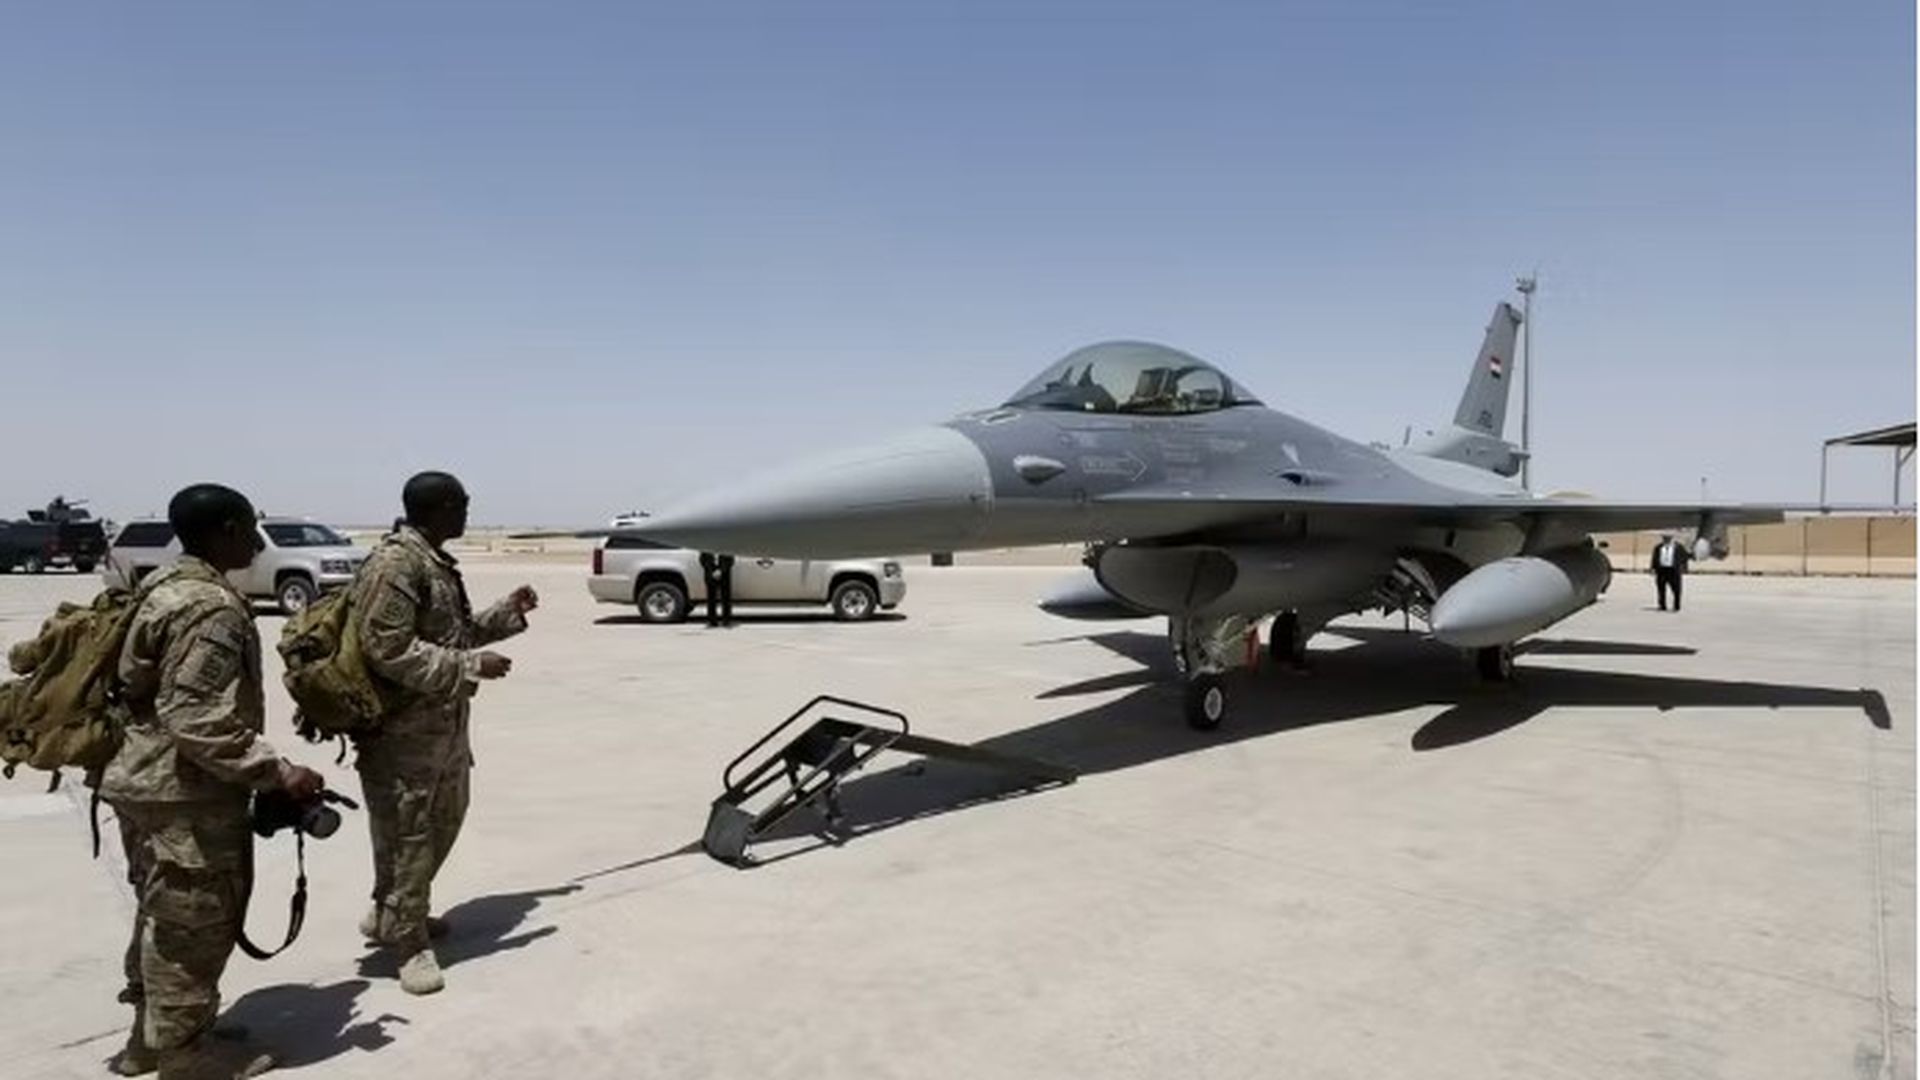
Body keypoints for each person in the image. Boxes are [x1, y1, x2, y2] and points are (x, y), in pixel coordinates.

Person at [100, 483, 326, 1079]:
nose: (255, 537)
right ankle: (186, 1058)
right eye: (249, 525)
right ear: (225, 529)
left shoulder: (161, 586)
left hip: (141, 782)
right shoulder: (210, 608)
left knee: (160, 915)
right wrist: (278, 771)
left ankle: (148, 1041)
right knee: (192, 926)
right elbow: (193, 715)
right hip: (183, 795)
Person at [351, 471, 536, 995]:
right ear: (439, 508)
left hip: (442, 730)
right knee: (409, 835)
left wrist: (507, 614)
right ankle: (408, 946)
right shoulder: (397, 564)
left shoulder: (432, 563)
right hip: (403, 735)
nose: (467, 514)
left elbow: (453, 635)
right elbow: (385, 650)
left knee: (440, 823)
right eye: (462, 505)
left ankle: (393, 911)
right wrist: (469, 666)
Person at [1651, 533, 1692, 612]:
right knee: (1661, 589)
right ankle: (1662, 605)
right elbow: (1654, 558)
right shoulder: (1658, 547)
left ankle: (1676, 606)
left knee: (1676, 589)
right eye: (1665, 538)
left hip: (1674, 570)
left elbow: (1685, 557)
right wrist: (1653, 568)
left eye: (1668, 538)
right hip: (1662, 570)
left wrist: (1684, 567)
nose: (1666, 539)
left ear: (1672, 538)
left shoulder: (1678, 547)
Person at [698, 552, 735, 628]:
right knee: (711, 598)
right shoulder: (706, 547)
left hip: (724, 575)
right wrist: (711, 571)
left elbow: (730, 561)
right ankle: (712, 621)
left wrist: (721, 571)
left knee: (725, 598)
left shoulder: (725, 548)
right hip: (710, 574)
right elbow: (702, 560)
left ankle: (726, 621)